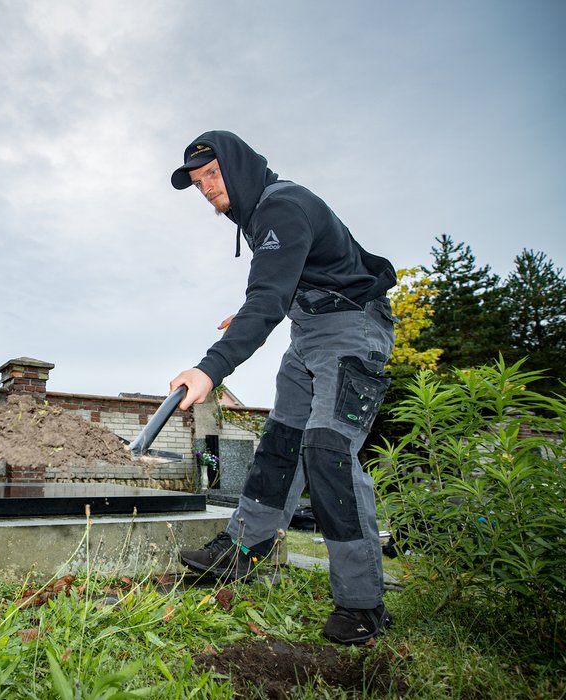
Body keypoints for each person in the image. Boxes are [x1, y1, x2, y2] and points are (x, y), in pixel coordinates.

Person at [168, 131, 397, 645]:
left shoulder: (281, 206)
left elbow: (269, 296)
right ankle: (243, 549)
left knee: (328, 450)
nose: (206, 188)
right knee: (281, 445)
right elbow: (282, 285)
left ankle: (363, 605)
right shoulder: (258, 218)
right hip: (309, 333)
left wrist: (211, 369)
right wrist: (254, 311)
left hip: (352, 329)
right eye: (198, 181)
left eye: (213, 174)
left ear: (241, 167)